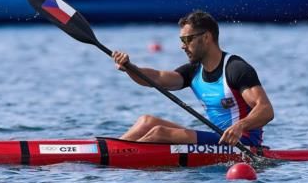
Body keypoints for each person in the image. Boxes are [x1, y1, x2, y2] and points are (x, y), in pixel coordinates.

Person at [112, 10, 274, 146]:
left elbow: (266, 110)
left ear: (206, 38)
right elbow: (157, 78)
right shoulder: (194, 71)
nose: (182, 46)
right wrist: (129, 67)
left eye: (187, 39)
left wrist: (240, 126)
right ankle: (112, 149)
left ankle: (118, 159)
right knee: (147, 122)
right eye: (181, 40)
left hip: (242, 142)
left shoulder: (235, 69)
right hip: (217, 138)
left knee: (160, 133)